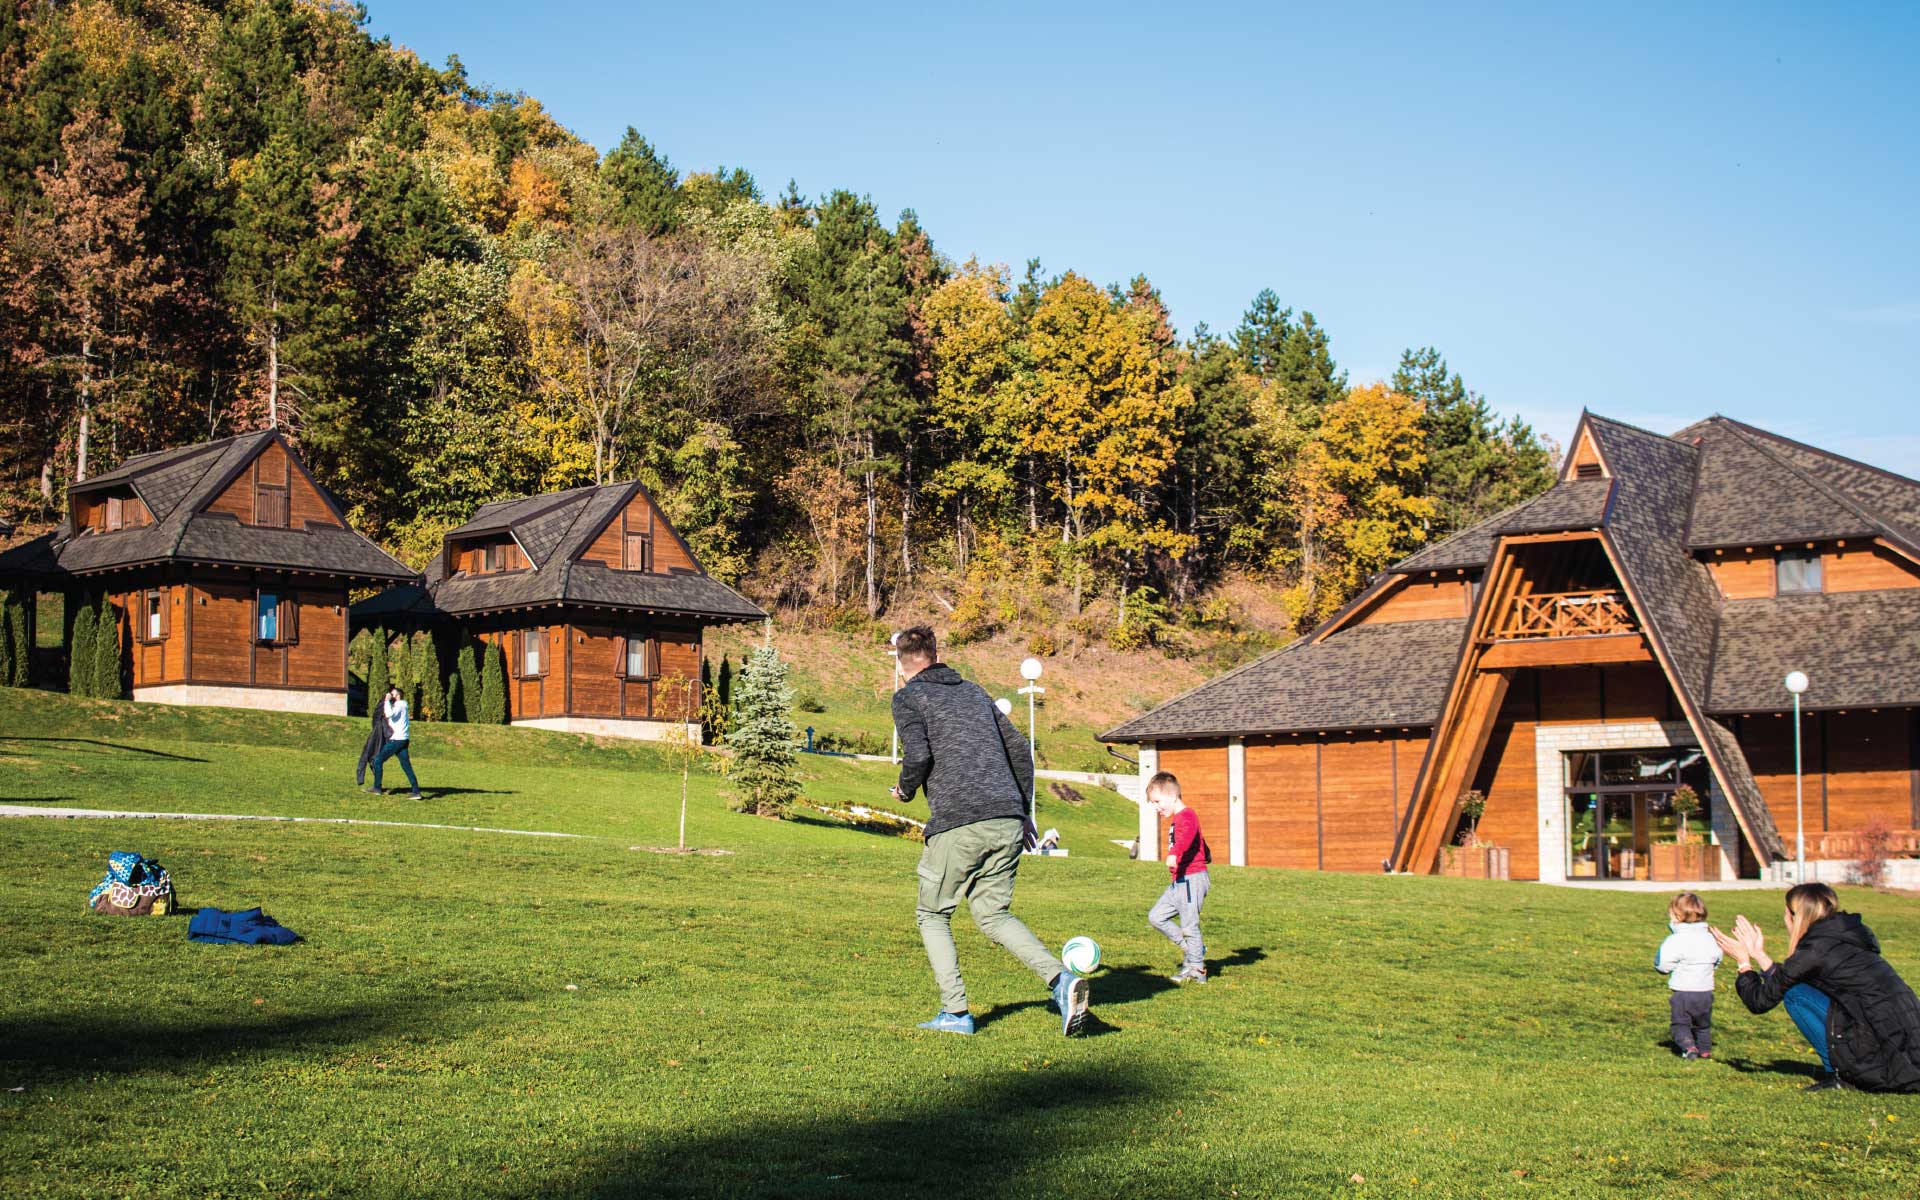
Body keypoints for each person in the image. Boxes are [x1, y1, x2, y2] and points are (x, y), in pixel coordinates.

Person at [888, 625, 1090, 1037]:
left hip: (961, 822)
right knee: (992, 914)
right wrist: (1024, 811)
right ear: (935, 653)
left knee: (932, 913)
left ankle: (956, 1013)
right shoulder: (975, 691)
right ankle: (1062, 981)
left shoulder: (908, 697)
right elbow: (1019, 750)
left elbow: (919, 755)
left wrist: (905, 790)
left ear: (902, 662)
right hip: (1008, 820)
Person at [1711, 882, 1920, 1092]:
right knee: (1798, 989)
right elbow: (1790, 977)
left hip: (1884, 1049)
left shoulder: (1815, 949)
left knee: (1796, 996)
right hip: (1904, 1041)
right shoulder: (1841, 936)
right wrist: (1759, 954)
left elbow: (1759, 1001)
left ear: (1795, 916)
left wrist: (1743, 963)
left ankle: (1839, 1075)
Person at [1146, 771, 1212, 983]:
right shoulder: (1180, 818)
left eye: (1157, 802)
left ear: (1172, 796)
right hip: (1179, 881)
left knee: (1189, 926)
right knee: (1156, 917)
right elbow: (1196, 839)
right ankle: (1193, 950)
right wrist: (1206, 852)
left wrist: (1174, 853)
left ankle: (1197, 970)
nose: (1156, 807)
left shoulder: (1187, 815)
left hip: (1192, 879)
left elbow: (1185, 837)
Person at [1655, 891, 1720, 1059]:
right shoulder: (1709, 937)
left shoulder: (1676, 939)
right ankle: (1705, 1050)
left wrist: (1662, 968)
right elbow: (1717, 957)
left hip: (1683, 991)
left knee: (1680, 1023)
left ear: (1677, 916)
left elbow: (1663, 963)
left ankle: (1689, 1047)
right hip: (1706, 991)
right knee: (1703, 1024)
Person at [366, 685, 422, 799]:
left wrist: (386, 701)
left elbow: (389, 714)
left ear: (398, 695)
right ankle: (416, 792)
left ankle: (377, 788)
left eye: (392, 694)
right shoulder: (401, 705)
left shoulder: (400, 705)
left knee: (377, 760)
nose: (390, 695)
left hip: (397, 740)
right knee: (406, 766)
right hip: (403, 739)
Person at [354, 691, 391, 787]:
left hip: (378, 738)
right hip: (378, 737)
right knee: (372, 759)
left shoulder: (384, 716)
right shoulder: (382, 714)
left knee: (370, 758)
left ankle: (374, 783)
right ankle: (374, 783)